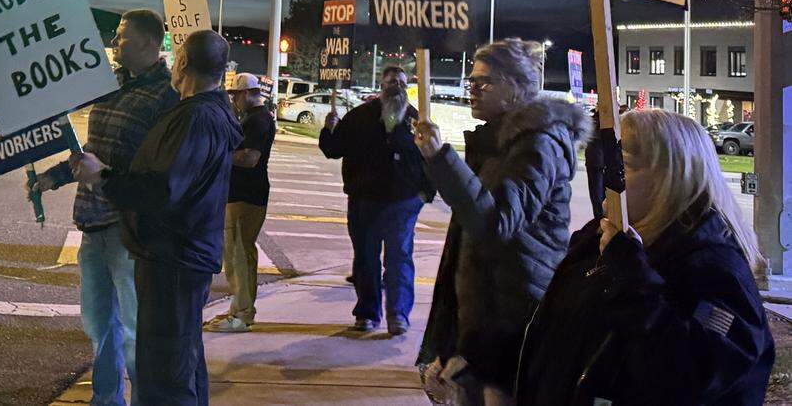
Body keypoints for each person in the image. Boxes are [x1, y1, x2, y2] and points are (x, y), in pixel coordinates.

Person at [515, 108, 774, 406]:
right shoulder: (597, 240)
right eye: (607, 162)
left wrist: (631, 276)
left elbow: (689, 375)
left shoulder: (715, 270)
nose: (606, 175)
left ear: (670, 178)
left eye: (621, 165)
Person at [413, 38, 590, 405]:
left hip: (514, 323)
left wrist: (441, 158)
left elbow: (496, 223)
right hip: (487, 323)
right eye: (471, 81)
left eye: (484, 82)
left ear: (515, 88)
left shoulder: (537, 144)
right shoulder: (500, 144)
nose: (473, 90)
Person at [72, 29, 242, 406]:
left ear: (181, 63)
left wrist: (104, 177)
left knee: (164, 374)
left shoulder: (195, 117)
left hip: (173, 259)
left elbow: (163, 190)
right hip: (180, 257)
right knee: (181, 364)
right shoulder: (210, 112)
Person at [37, 10, 178, 406]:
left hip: (129, 229)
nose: (116, 43)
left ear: (151, 43)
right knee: (99, 327)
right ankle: (106, 399)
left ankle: (143, 400)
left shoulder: (166, 96)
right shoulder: (110, 86)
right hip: (92, 223)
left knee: (135, 330)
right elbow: (94, 152)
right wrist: (55, 176)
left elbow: (161, 170)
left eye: (123, 36)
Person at [318, 65, 435, 336]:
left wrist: (425, 193)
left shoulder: (416, 120)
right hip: (365, 201)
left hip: (403, 202)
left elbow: (428, 158)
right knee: (366, 259)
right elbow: (333, 150)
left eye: (402, 83)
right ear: (381, 87)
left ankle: (398, 315)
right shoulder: (360, 116)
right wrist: (328, 130)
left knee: (399, 258)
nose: (397, 87)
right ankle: (367, 314)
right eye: (392, 82)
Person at [205, 72, 276, 333]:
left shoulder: (257, 121)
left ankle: (242, 314)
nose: (234, 101)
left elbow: (250, 158)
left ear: (246, 93)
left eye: (235, 95)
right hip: (246, 195)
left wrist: (220, 155)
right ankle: (240, 309)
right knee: (242, 254)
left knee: (237, 255)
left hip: (245, 195)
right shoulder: (256, 118)